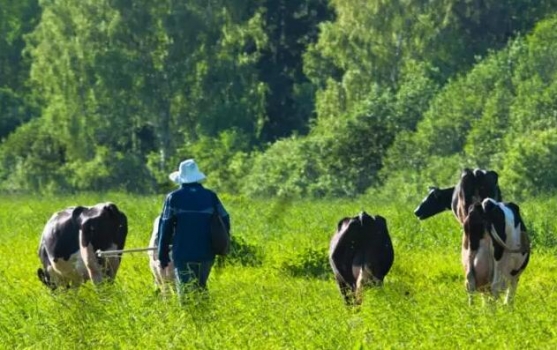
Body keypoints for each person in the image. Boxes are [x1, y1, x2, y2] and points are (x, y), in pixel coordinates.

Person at [157, 159, 230, 300]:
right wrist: (222, 243)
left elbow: (165, 227)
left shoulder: (173, 198)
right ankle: (206, 318)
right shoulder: (210, 196)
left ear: (181, 179)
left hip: (183, 254)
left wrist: (162, 255)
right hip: (207, 253)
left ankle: (190, 319)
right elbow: (225, 219)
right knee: (201, 287)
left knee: (185, 293)